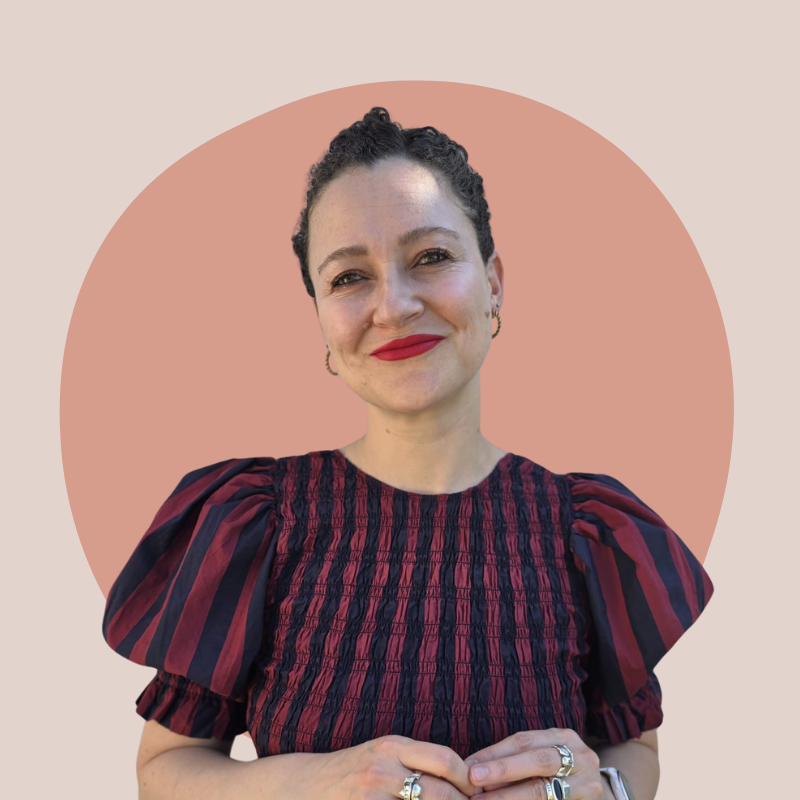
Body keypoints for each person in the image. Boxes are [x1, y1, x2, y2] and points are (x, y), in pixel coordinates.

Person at [102, 107, 714, 800]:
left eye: (431, 257)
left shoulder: (592, 531)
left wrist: (605, 789)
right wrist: (311, 783)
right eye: (348, 277)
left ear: (494, 282)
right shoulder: (252, 521)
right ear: (320, 317)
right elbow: (165, 770)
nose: (393, 306)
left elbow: (634, 749)